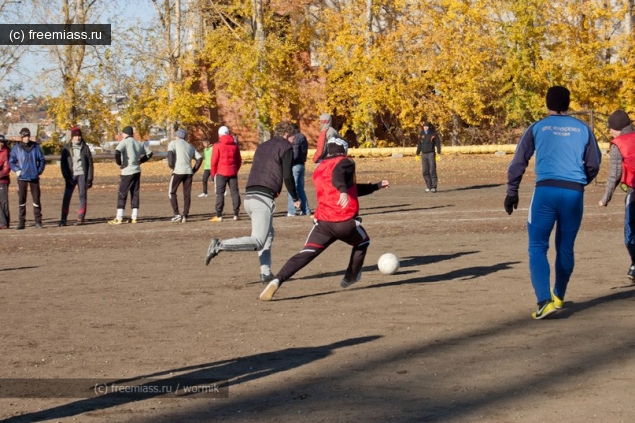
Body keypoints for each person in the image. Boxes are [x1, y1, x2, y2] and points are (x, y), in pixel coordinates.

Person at [505, 86, 601, 320]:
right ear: (568, 104)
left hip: (545, 192)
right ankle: (558, 295)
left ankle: (544, 302)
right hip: (573, 194)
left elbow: (519, 160)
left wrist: (512, 191)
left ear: (547, 103)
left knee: (537, 247)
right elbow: (594, 163)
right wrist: (579, 183)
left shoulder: (537, 127)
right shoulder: (583, 128)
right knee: (565, 247)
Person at [259, 137, 390, 301]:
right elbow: (339, 176)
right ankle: (351, 276)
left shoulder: (320, 168)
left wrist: (374, 186)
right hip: (344, 222)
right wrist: (342, 190)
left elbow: (351, 188)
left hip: (323, 223)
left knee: (305, 253)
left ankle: (277, 280)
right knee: (363, 242)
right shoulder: (345, 162)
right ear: (344, 150)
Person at [205, 121, 300, 283]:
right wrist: (295, 198)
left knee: (268, 236)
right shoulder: (286, 147)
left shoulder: (262, 146)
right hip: (262, 199)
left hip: (250, 196)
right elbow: (288, 175)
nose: (294, 141)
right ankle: (219, 245)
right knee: (258, 240)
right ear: (287, 135)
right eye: (293, 138)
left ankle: (266, 273)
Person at [598, 110, 635, 280]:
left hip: (634, 192)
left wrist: (606, 198)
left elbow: (615, 174)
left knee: (631, 232)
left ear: (618, 129)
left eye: (610, 128)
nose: (609, 131)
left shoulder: (619, 144)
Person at [108, 126, 153, 225]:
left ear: (125, 134)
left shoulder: (125, 142)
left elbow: (117, 152)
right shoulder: (138, 143)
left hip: (127, 171)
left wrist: (120, 164)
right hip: (137, 170)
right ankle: (134, 217)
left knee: (122, 193)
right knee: (135, 193)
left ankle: (119, 217)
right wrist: (140, 161)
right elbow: (150, 154)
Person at [9, 127, 46, 230]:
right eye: (25, 136)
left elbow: (42, 160)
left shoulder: (36, 147)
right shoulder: (16, 148)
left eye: (28, 136)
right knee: (22, 200)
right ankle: (21, 222)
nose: (27, 138)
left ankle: (38, 221)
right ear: (21, 137)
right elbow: (11, 161)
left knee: (36, 199)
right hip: (22, 177)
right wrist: (17, 170)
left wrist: (38, 171)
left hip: (34, 177)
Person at [59, 126, 94, 226]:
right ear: (72, 137)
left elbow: (90, 163)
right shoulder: (66, 148)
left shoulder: (85, 147)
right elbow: (63, 164)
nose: (78, 138)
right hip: (71, 175)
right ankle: (63, 219)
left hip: (82, 174)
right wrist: (66, 177)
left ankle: (80, 218)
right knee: (67, 197)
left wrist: (90, 178)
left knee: (82, 196)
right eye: (76, 136)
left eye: (79, 136)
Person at [167, 128, 203, 223]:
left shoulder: (173, 143)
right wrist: (193, 170)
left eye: (175, 135)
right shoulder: (190, 146)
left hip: (178, 171)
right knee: (187, 194)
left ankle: (177, 214)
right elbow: (199, 158)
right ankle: (185, 215)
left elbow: (170, 155)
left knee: (171, 192)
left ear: (178, 136)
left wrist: (171, 167)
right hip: (188, 173)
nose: (175, 136)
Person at [209, 126, 242, 222]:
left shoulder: (217, 145)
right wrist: (235, 169)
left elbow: (214, 161)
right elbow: (239, 160)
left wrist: (213, 173)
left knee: (220, 193)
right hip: (232, 172)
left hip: (221, 172)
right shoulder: (235, 145)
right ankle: (236, 214)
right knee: (235, 193)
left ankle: (219, 215)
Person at [287, 123, 312, 217]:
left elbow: (295, 153)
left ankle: (291, 211)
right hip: (301, 164)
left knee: (292, 187)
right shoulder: (302, 137)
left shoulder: (295, 138)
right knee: (300, 189)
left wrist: (288, 162)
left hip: (295, 165)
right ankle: (306, 210)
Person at [415, 122, 441, 192]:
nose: (425, 128)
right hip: (424, 154)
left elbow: (438, 143)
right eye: (424, 126)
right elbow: (419, 144)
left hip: (431, 154)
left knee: (432, 170)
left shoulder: (433, 134)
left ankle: (433, 187)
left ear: (429, 127)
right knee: (425, 171)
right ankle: (428, 186)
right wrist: (417, 153)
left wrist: (438, 153)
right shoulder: (422, 134)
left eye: (427, 126)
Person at [0, 135, 10, 229]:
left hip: (2, 180)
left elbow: (6, 169)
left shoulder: (5, 152)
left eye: (2, 142)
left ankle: (4, 222)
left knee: (3, 202)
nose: (0, 144)